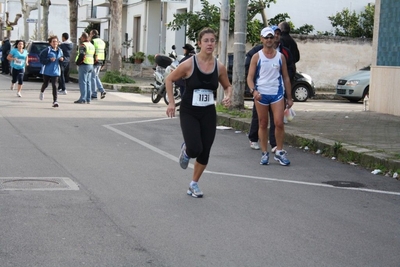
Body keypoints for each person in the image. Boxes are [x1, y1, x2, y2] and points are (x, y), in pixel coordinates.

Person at [165, 28, 232, 198]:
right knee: (195, 148)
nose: (210, 43)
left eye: (212, 40)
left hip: (208, 112)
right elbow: (169, 79)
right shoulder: (189, 64)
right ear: (200, 43)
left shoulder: (219, 67)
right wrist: (171, 103)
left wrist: (228, 96)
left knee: (205, 150)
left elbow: (227, 86)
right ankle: (187, 150)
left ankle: (193, 184)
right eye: (206, 40)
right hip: (189, 111)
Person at [247, 27, 293, 166]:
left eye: (271, 37)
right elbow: (250, 77)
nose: (268, 40)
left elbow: (286, 78)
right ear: (261, 39)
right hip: (261, 94)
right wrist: (253, 91)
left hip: (277, 94)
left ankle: (279, 151)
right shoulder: (257, 56)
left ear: (274, 39)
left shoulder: (280, 57)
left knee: (279, 123)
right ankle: (264, 153)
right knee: (262, 123)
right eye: (266, 37)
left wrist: (289, 97)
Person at [39, 35, 64, 108]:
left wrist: (62, 59)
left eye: (56, 41)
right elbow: (41, 59)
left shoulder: (60, 51)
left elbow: (62, 59)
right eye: (53, 42)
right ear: (50, 43)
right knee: (46, 84)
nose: (55, 43)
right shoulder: (47, 50)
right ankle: (42, 91)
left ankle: (55, 101)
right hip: (47, 70)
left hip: (55, 71)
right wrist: (49, 60)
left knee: (54, 85)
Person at [74, 32, 95, 104]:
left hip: (84, 64)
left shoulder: (83, 45)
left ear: (83, 38)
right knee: (88, 82)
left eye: (81, 38)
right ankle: (88, 99)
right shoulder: (92, 45)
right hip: (91, 65)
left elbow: (82, 54)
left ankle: (82, 99)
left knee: (83, 82)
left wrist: (78, 63)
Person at [89, 29, 106, 100]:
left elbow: (91, 51)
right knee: (95, 76)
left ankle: (94, 94)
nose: (89, 35)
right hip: (101, 61)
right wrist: (103, 63)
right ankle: (102, 90)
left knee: (93, 77)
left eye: (90, 34)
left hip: (94, 61)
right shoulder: (102, 42)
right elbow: (105, 52)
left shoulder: (93, 41)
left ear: (93, 34)